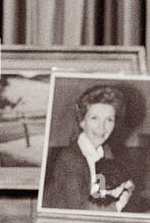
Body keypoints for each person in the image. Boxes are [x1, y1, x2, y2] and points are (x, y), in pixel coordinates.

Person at [41, 84, 136, 212]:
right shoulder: (70, 159)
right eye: (94, 118)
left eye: (109, 119)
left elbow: (100, 193)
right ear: (82, 122)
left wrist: (123, 186)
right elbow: (78, 210)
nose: (102, 127)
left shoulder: (105, 152)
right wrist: (118, 204)